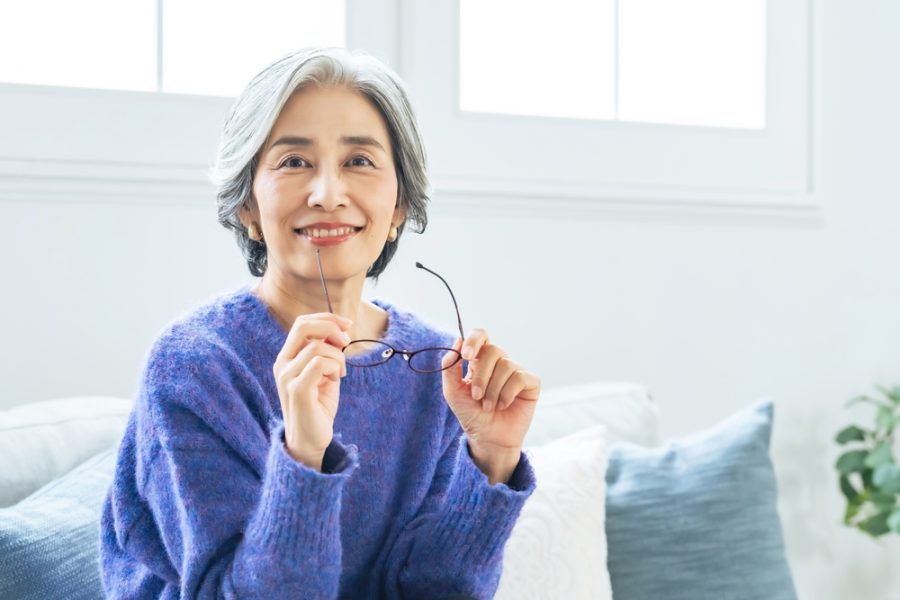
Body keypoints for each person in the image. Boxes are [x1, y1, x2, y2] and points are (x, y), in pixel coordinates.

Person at [99, 46, 541, 599]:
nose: (328, 194)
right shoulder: (194, 367)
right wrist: (303, 454)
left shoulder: (440, 371)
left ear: (400, 205)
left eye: (359, 161)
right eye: (293, 162)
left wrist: (492, 457)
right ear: (248, 208)